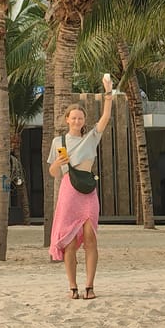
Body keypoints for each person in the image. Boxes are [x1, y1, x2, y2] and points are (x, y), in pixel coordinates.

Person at [47, 74, 114, 300]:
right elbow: (53, 173)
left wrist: (108, 92)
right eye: (73, 118)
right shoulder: (59, 142)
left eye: (80, 118)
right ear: (67, 119)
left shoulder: (92, 137)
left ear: (84, 120)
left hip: (88, 190)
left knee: (90, 235)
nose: (77, 121)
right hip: (69, 190)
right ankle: (73, 286)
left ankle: (90, 286)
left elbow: (105, 117)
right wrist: (57, 163)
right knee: (69, 240)